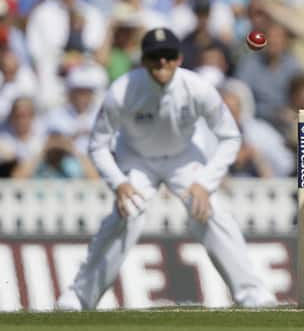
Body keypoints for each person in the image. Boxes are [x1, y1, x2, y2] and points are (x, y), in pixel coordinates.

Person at [55, 28, 275, 310]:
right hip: (137, 159)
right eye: (155, 57)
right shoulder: (122, 91)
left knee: (212, 212)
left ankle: (252, 294)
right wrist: (119, 182)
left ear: (179, 59)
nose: (162, 63)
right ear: (144, 60)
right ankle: (79, 297)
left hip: (183, 158)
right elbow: (97, 145)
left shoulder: (197, 88)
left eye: (168, 57)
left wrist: (205, 183)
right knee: (127, 215)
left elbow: (230, 137)